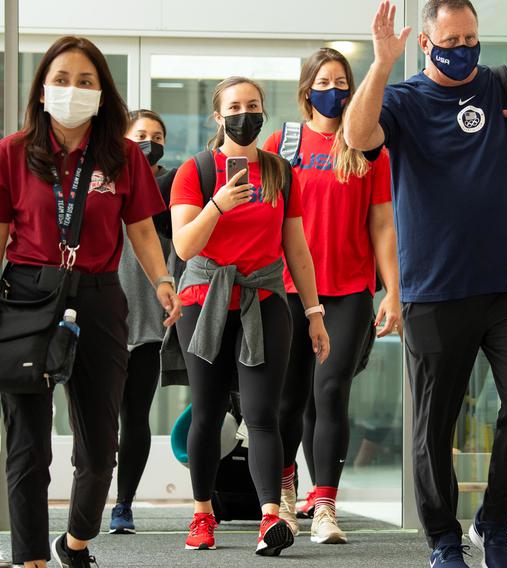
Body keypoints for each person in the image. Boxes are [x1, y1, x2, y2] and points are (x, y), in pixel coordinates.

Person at [342, 2, 507, 567]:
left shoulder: (502, 84)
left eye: (472, 37)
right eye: (452, 39)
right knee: (433, 427)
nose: (465, 47)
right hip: (434, 290)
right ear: (426, 44)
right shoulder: (402, 100)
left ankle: (493, 522)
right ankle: (443, 539)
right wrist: (380, 65)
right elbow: (356, 135)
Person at [0, 36, 182, 568]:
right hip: (25, 296)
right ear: (42, 90)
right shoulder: (13, 151)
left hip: (99, 297)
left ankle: (76, 539)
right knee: (28, 442)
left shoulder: (123, 155)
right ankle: (30, 556)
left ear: (102, 94)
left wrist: (160, 280)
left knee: (100, 443)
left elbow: (142, 231)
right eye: (61, 80)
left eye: (86, 82)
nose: (72, 90)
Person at [169, 76, 331, 557]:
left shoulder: (281, 172)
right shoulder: (195, 171)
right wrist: (218, 204)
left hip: (263, 300)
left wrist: (314, 311)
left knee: (264, 416)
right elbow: (184, 245)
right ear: (218, 117)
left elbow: (297, 249)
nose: (246, 114)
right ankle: (202, 515)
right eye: (235, 107)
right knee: (207, 413)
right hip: (204, 302)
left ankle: (269, 520)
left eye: (254, 105)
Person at [261, 47, 401, 544]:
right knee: (288, 401)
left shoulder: (367, 147)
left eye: (343, 81)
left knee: (331, 389)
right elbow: (265, 217)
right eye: (324, 81)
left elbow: (382, 223)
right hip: (290, 289)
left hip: (348, 291)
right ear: (307, 89)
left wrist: (394, 292)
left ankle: (325, 507)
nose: (335, 90)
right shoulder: (286, 141)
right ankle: (283, 492)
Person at [110, 109, 178, 534]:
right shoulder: (105, 182)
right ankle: (89, 486)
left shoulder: (173, 189)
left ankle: (124, 504)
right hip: (103, 319)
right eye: (140, 135)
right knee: (98, 420)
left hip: (151, 323)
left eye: (156, 135)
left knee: (135, 417)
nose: (149, 142)